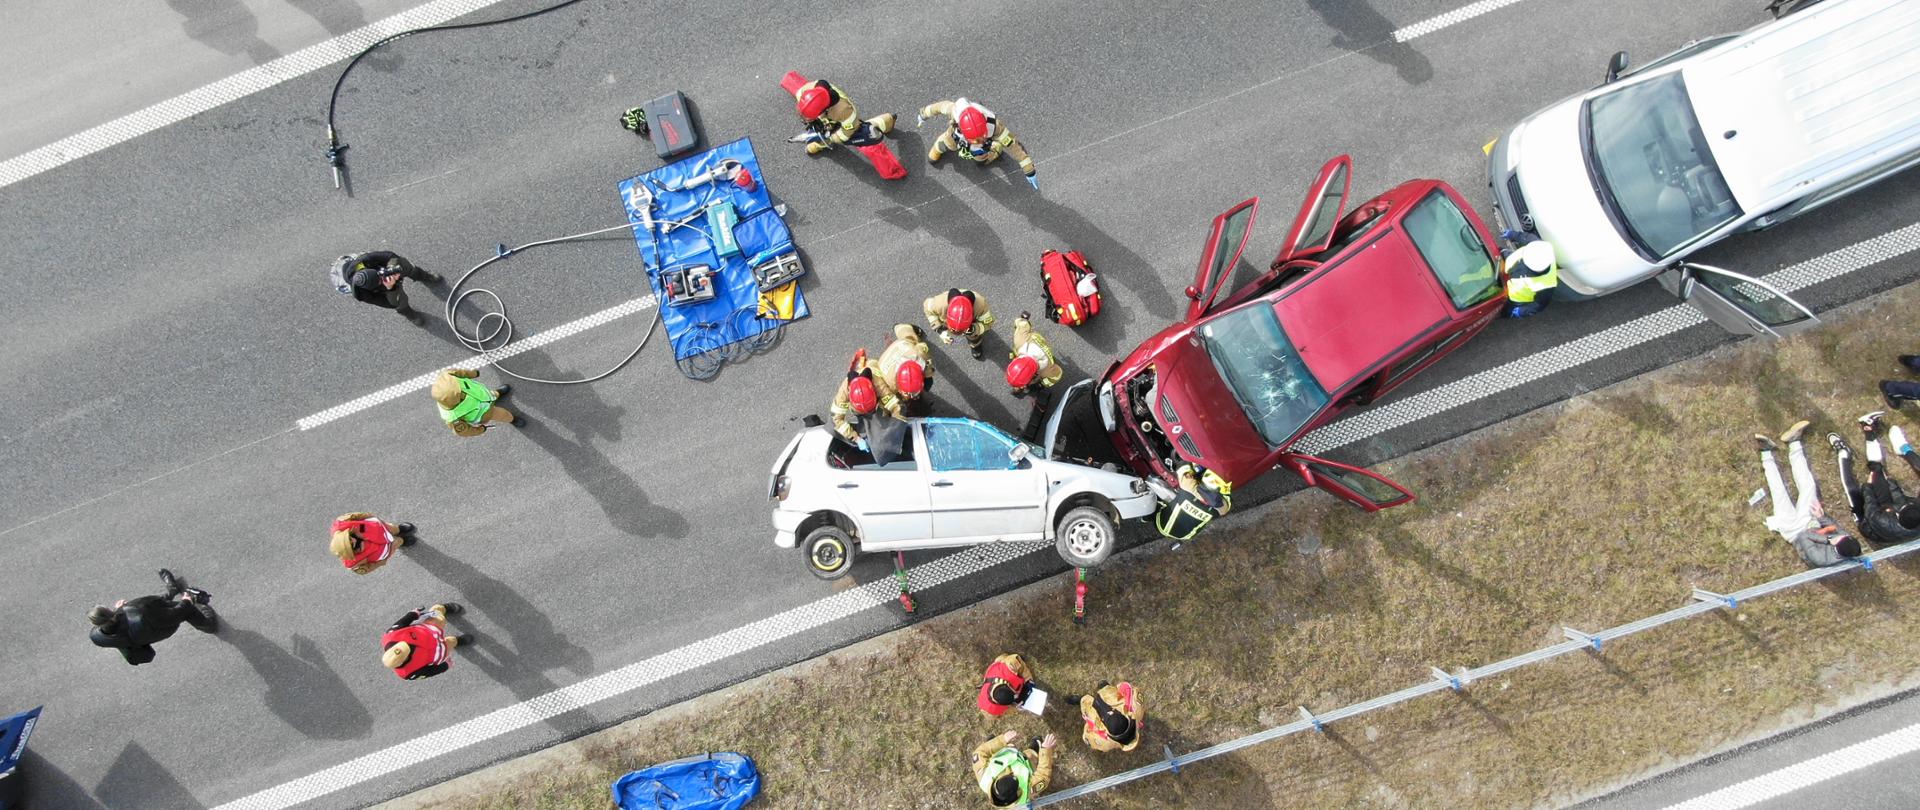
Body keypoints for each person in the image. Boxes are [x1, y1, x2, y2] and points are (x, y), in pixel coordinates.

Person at [1754, 420, 1862, 567]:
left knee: (1779, 493)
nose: (1841, 536)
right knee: (1809, 486)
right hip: (1811, 522)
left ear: (1837, 547)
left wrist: (1828, 539)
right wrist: (1821, 517)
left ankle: (1766, 453)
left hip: (1794, 531)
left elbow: (1804, 537)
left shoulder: (1821, 559)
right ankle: (1794, 442)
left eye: (1839, 539)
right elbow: (1835, 527)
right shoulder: (1847, 541)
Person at [88, 569, 217, 666]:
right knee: (180, 610)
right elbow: (175, 615)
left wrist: (118, 610)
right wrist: (186, 602)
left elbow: (117, 627)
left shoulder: (97, 637)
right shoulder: (136, 612)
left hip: (147, 636)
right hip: (161, 627)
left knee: (151, 606)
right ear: (109, 611)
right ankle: (207, 624)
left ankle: (172, 591)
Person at [1829, 412, 1920, 546]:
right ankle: (1876, 434)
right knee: (1877, 470)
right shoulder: (1912, 512)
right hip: (1891, 511)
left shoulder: (1881, 521)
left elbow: (1870, 506)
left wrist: (1869, 486)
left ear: (1898, 514)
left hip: (1870, 521)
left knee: (1852, 490)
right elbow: (1900, 499)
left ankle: (1843, 453)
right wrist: (1890, 482)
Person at [918, 98, 1039, 189]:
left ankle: (995, 149)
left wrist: (1028, 169)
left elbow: (1014, 146)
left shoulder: (996, 127)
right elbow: (938, 107)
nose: (979, 141)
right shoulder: (955, 110)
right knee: (946, 144)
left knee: (980, 161)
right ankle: (938, 148)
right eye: (975, 140)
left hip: (980, 148)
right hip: (955, 135)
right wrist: (924, 114)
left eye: (982, 137)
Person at [790, 77, 897, 155]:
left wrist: (832, 137)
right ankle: (886, 121)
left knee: (854, 133)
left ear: (823, 110)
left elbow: (845, 133)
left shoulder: (844, 112)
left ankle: (886, 121)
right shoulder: (808, 92)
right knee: (824, 128)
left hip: (843, 119)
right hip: (825, 113)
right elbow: (801, 95)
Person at [829, 349, 903, 448]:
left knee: (886, 409)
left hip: (876, 395)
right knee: (861, 417)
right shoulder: (844, 392)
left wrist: (895, 425)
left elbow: (894, 405)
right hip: (859, 408)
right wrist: (856, 438)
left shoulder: (878, 384)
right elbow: (837, 420)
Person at [345, 251, 443, 325]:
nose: (382, 278)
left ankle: (423, 276)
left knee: (403, 263)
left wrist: (392, 268)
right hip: (387, 289)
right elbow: (389, 304)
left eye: (379, 275)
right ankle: (409, 314)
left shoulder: (364, 260)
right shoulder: (362, 294)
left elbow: (390, 255)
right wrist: (391, 287)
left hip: (386, 270)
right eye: (380, 280)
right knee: (397, 301)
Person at [380, 603, 470, 680]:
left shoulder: (391, 635)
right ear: (401, 662)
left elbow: (403, 622)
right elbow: (428, 672)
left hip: (429, 629)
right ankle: (457, 641)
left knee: (440, 619)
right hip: (438, 651)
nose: (406, 644)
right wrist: (445, 666)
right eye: (406, 650)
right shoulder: (407, 673)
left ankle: (442, 607)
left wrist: (414, 613)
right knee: (450, 643)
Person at [971, 730, 1056, 807]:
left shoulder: (984, 776)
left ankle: (994, 746)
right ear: (1017, 791)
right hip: (1024, 762)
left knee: (992, 748)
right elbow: (1043, 776)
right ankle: (1034, 749)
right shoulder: (1027, 791)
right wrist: (1045, 751)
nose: (1011, 774)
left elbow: (980, 753)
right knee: (1030, 756)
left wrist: (1001, 740)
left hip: (1002, 755)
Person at [431, 368, 521, 437]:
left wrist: (473, 373)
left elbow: (461, 373)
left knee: (492, 395)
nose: (462, 390)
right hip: (484, 412)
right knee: (503, 415)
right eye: (460, 393)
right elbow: (465, 431)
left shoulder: (449, 377)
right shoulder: (452, 418)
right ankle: (512, 419)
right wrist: (480, 430)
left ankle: (497, 394)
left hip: (484, 395)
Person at [1155, 464, 1233, 543]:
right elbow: (1225, 499)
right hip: (1185, 536)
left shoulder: (1189, 487)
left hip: (1161, 523)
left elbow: (1182, 466)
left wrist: (1197, 466)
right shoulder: (1221, 509)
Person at [330, 513, 418, 575]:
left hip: (378, 528)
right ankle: (402, 540)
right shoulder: (354, 564)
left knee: (390, 528)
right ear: (352, 552)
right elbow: (368, 568)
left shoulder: (342, 524)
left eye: (350, 538)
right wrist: (381, 562)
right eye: (353, 545)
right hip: (385, 549)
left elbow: (357, 516)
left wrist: (370, 516)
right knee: (395, 543)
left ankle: (398, 529)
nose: (355, 540)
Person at [876, 323, 934, 416]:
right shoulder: (889, 384)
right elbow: (885, 403)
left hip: (904, 345)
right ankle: (900, 327)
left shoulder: (919, 355)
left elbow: (928, 367)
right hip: (886, 361)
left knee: (910, 336)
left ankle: (902, 327)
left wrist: (927, 374)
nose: (914, 397)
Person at [923, 288, 996, 360]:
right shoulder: (938, 304)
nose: (957, 333)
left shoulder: (980, 306)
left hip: (972, 325)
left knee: (974, 336)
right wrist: (940, 330)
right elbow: (927, 307)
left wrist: (975, 329)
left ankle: (975, 345)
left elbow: (988, 324)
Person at [1006, 312, 1064, 399]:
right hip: (1034, 340)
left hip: (1037, 350)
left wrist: (1040, 382)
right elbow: (1021, 323)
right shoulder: (1020, 340)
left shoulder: (1046, 370)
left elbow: (1058, 374)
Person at [1078, 680, 1145, 753]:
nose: (1107, 711)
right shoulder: (1136, 708)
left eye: (1105, 719)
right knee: (1109, 694)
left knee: (1089, 708)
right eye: (1113, 711)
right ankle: (1104, 687)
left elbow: (1087, 737)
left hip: (1099, 724)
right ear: (1122, 714)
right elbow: (1126, 687)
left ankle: (1080, 700)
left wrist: (1090, 723)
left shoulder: (1104, 743)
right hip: (1117, 703)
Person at [1501, 237, 1558, 319]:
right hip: (1509, 260)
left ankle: (1506, 314)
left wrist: (1522, 311)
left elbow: (1539, 304)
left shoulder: (1546, 285)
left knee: (1507, 311)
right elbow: (1528, 237)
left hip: (1516, 299)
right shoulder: (1543, 248)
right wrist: (1514, 235)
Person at [977, 652, 1036, 717]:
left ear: (1007, 685)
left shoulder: (1011, 664)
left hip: (1006, 661)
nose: (1016, 694)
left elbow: (1023, 669)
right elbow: (993, 714)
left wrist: (1029, 681)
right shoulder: (989, 707)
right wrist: (1016, 707)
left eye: (1014, 693)